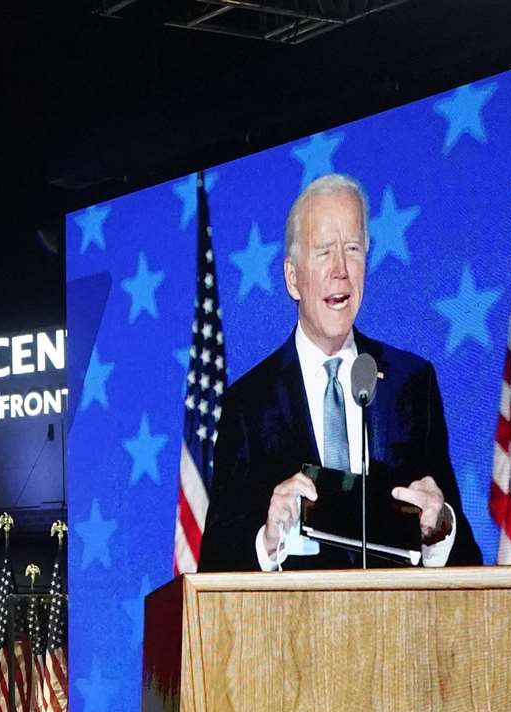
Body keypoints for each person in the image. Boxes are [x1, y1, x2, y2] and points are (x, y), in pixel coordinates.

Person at [199, 173, 482, 572]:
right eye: (323, 252)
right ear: (293, 278)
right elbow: (214, 562)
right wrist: (267, 539)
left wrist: (441, 530)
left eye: (352, 249)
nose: (341, 270)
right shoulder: (249, 402)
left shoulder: (411, 383)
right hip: (292, 630)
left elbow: (468, 558)